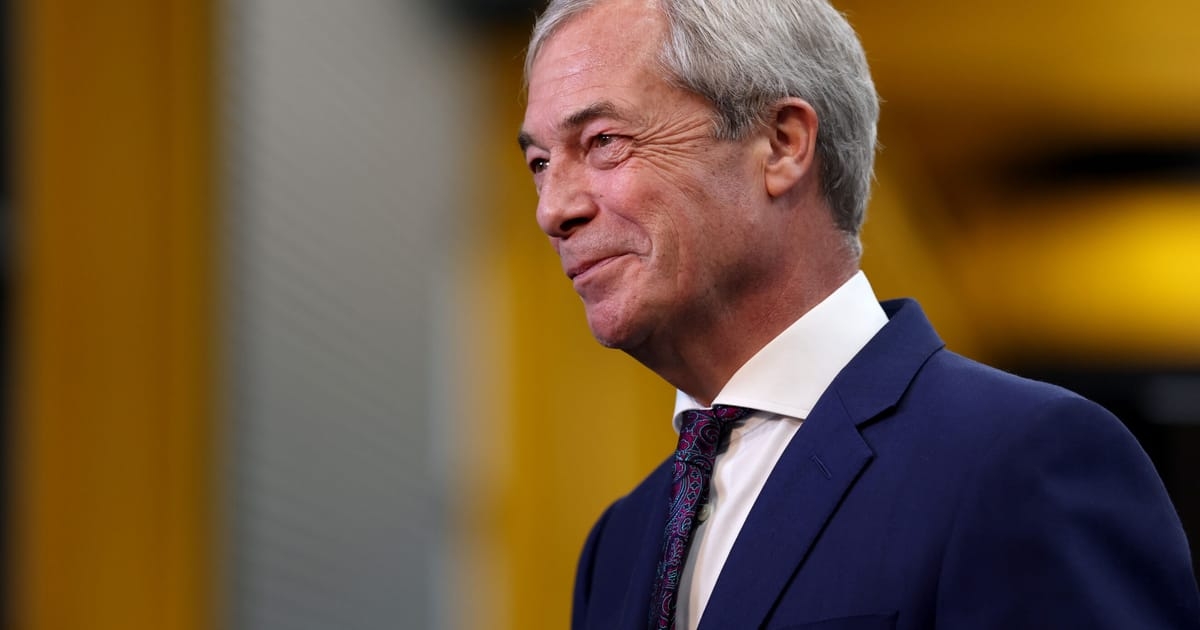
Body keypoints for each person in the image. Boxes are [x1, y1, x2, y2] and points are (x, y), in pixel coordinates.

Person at [516, 0, 1200, 628]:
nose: (553, 210)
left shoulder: (1022, 461)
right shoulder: (618, 545)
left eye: (603, 141)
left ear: (782, 144)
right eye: (541, 164)